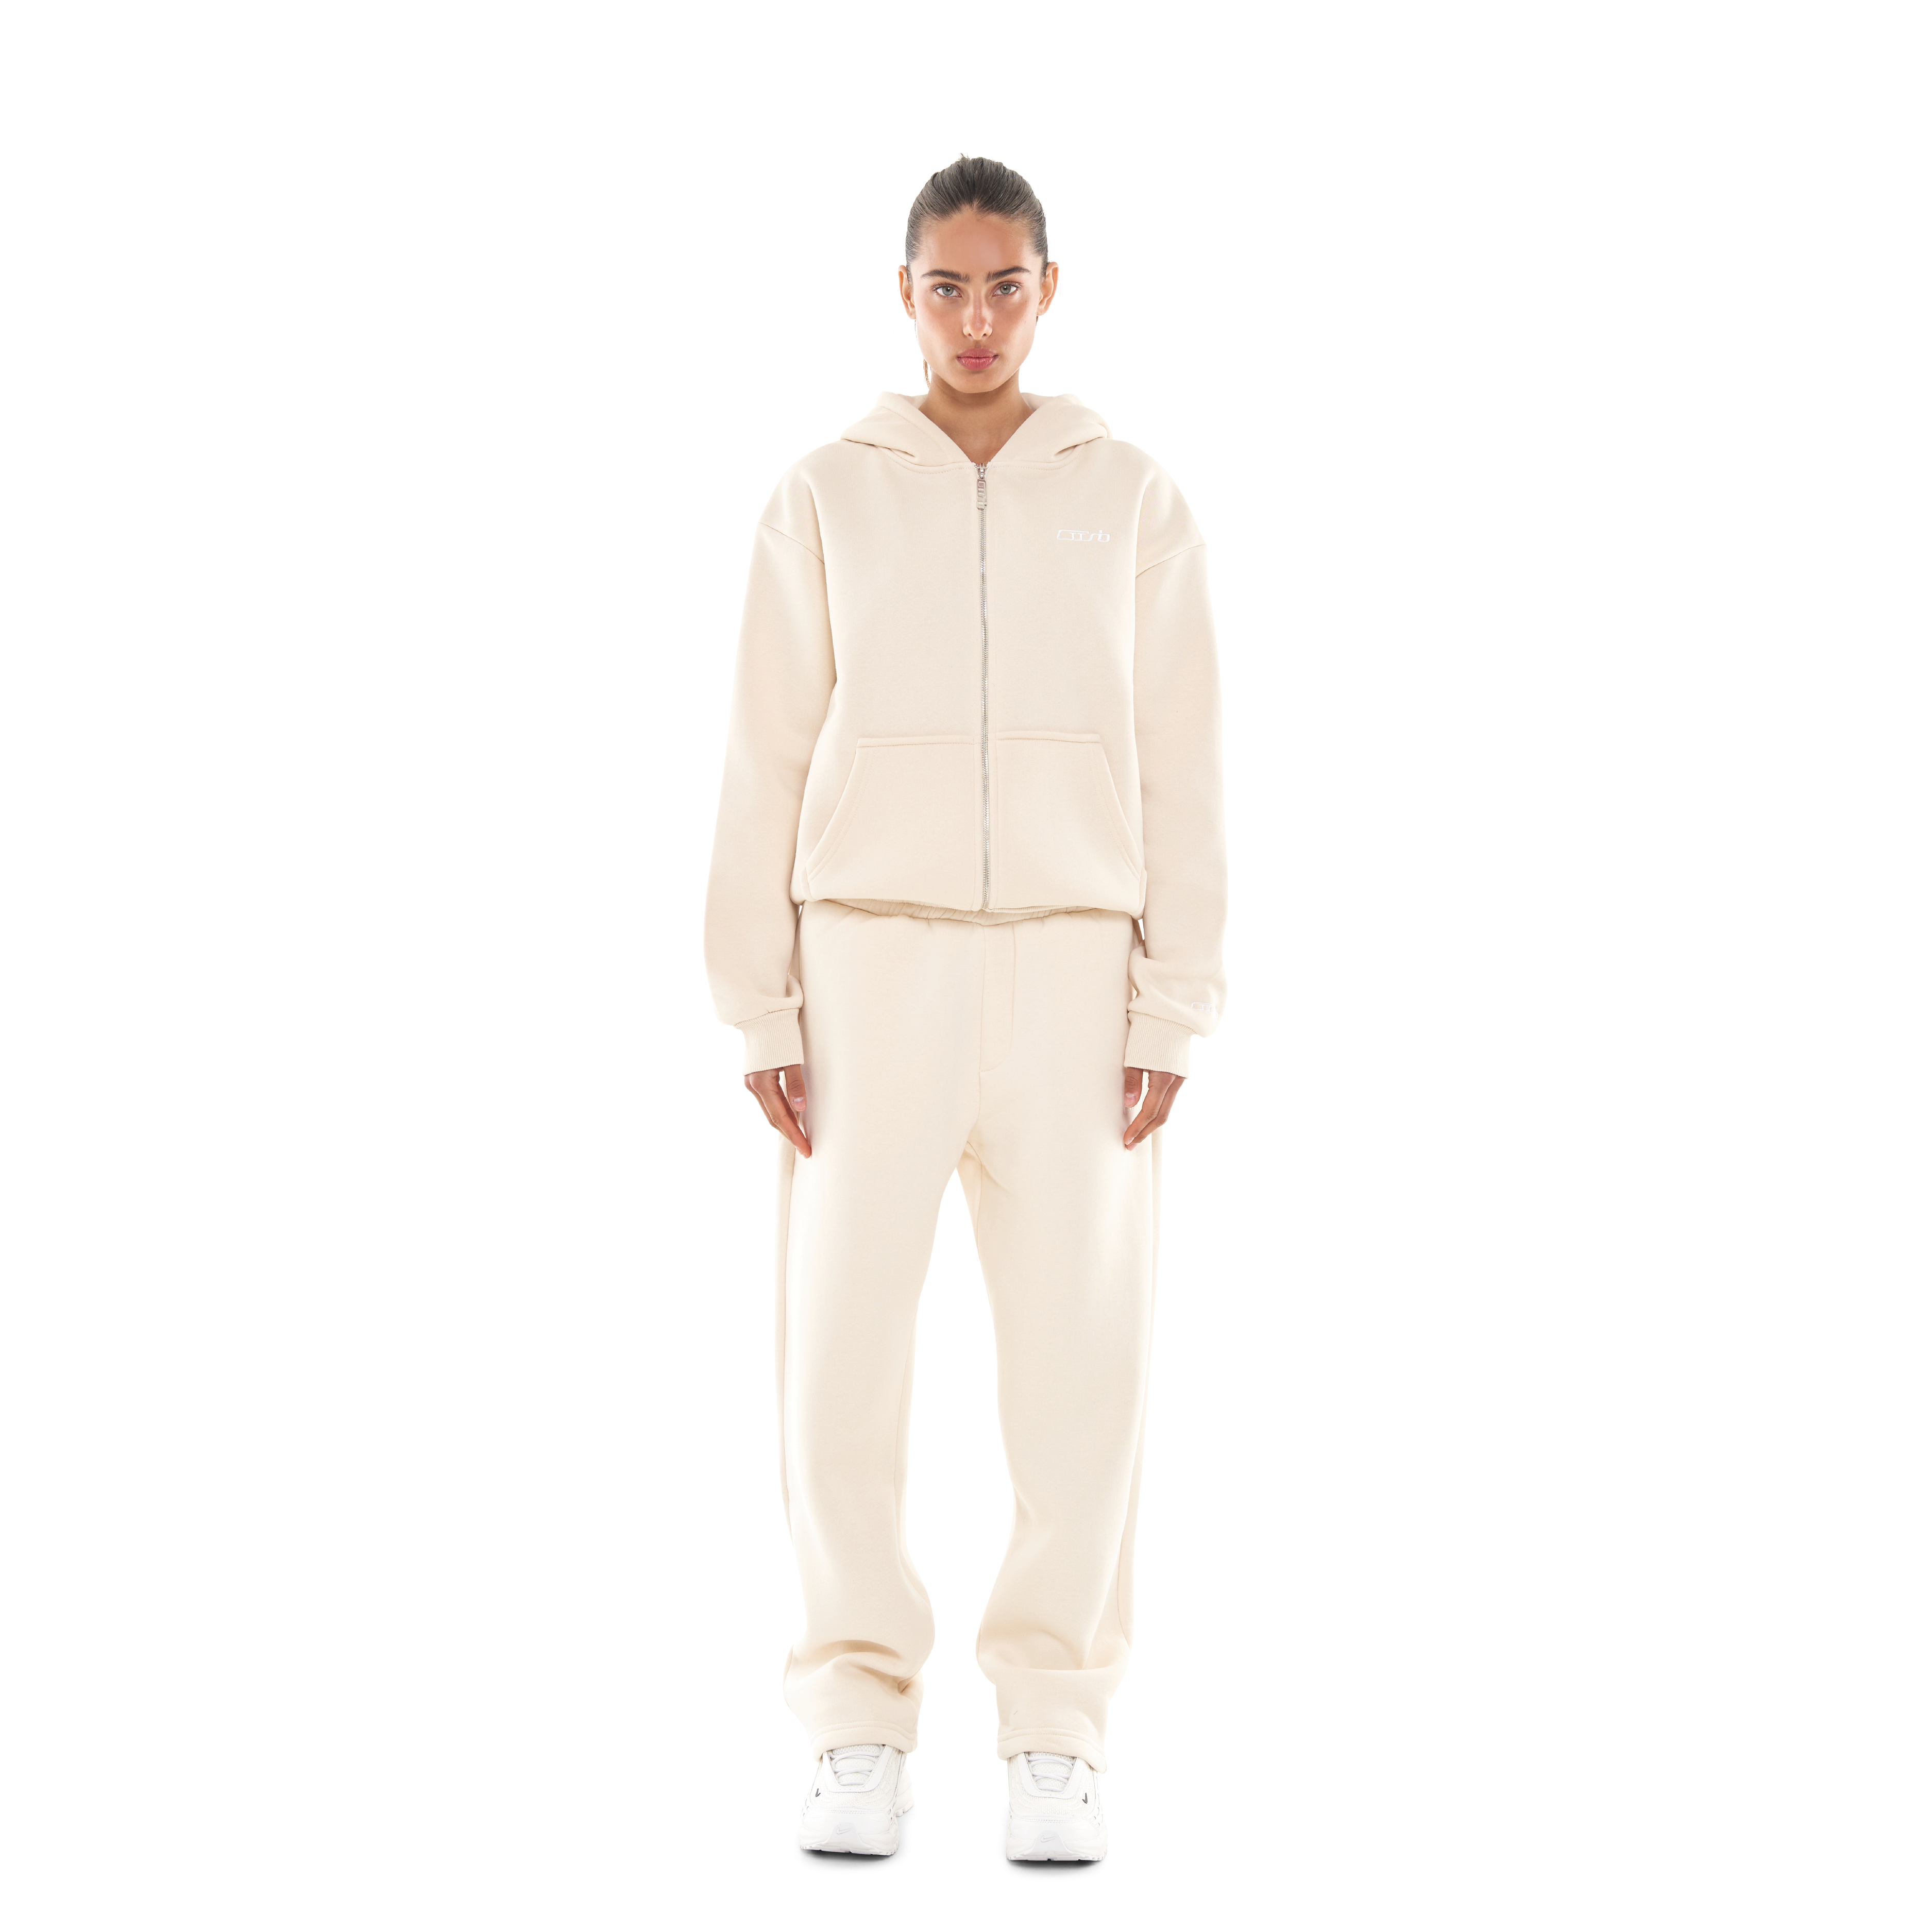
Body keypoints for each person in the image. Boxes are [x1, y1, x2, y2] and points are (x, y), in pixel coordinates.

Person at [703, 155, 1227, 1863]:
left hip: (1076, 968)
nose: (977, 318)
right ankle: (856, 1719)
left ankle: (1054, 1731)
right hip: (867, 966)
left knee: (1083, 1367)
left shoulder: (1129, 497)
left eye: (1006, 285)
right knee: (838, 1363)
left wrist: (1172, 998)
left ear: (1048, 289)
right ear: (905, 292)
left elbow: (1183, 752)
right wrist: (760, 999)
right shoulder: (825, 495)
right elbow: (767, 748)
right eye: (948, 286)